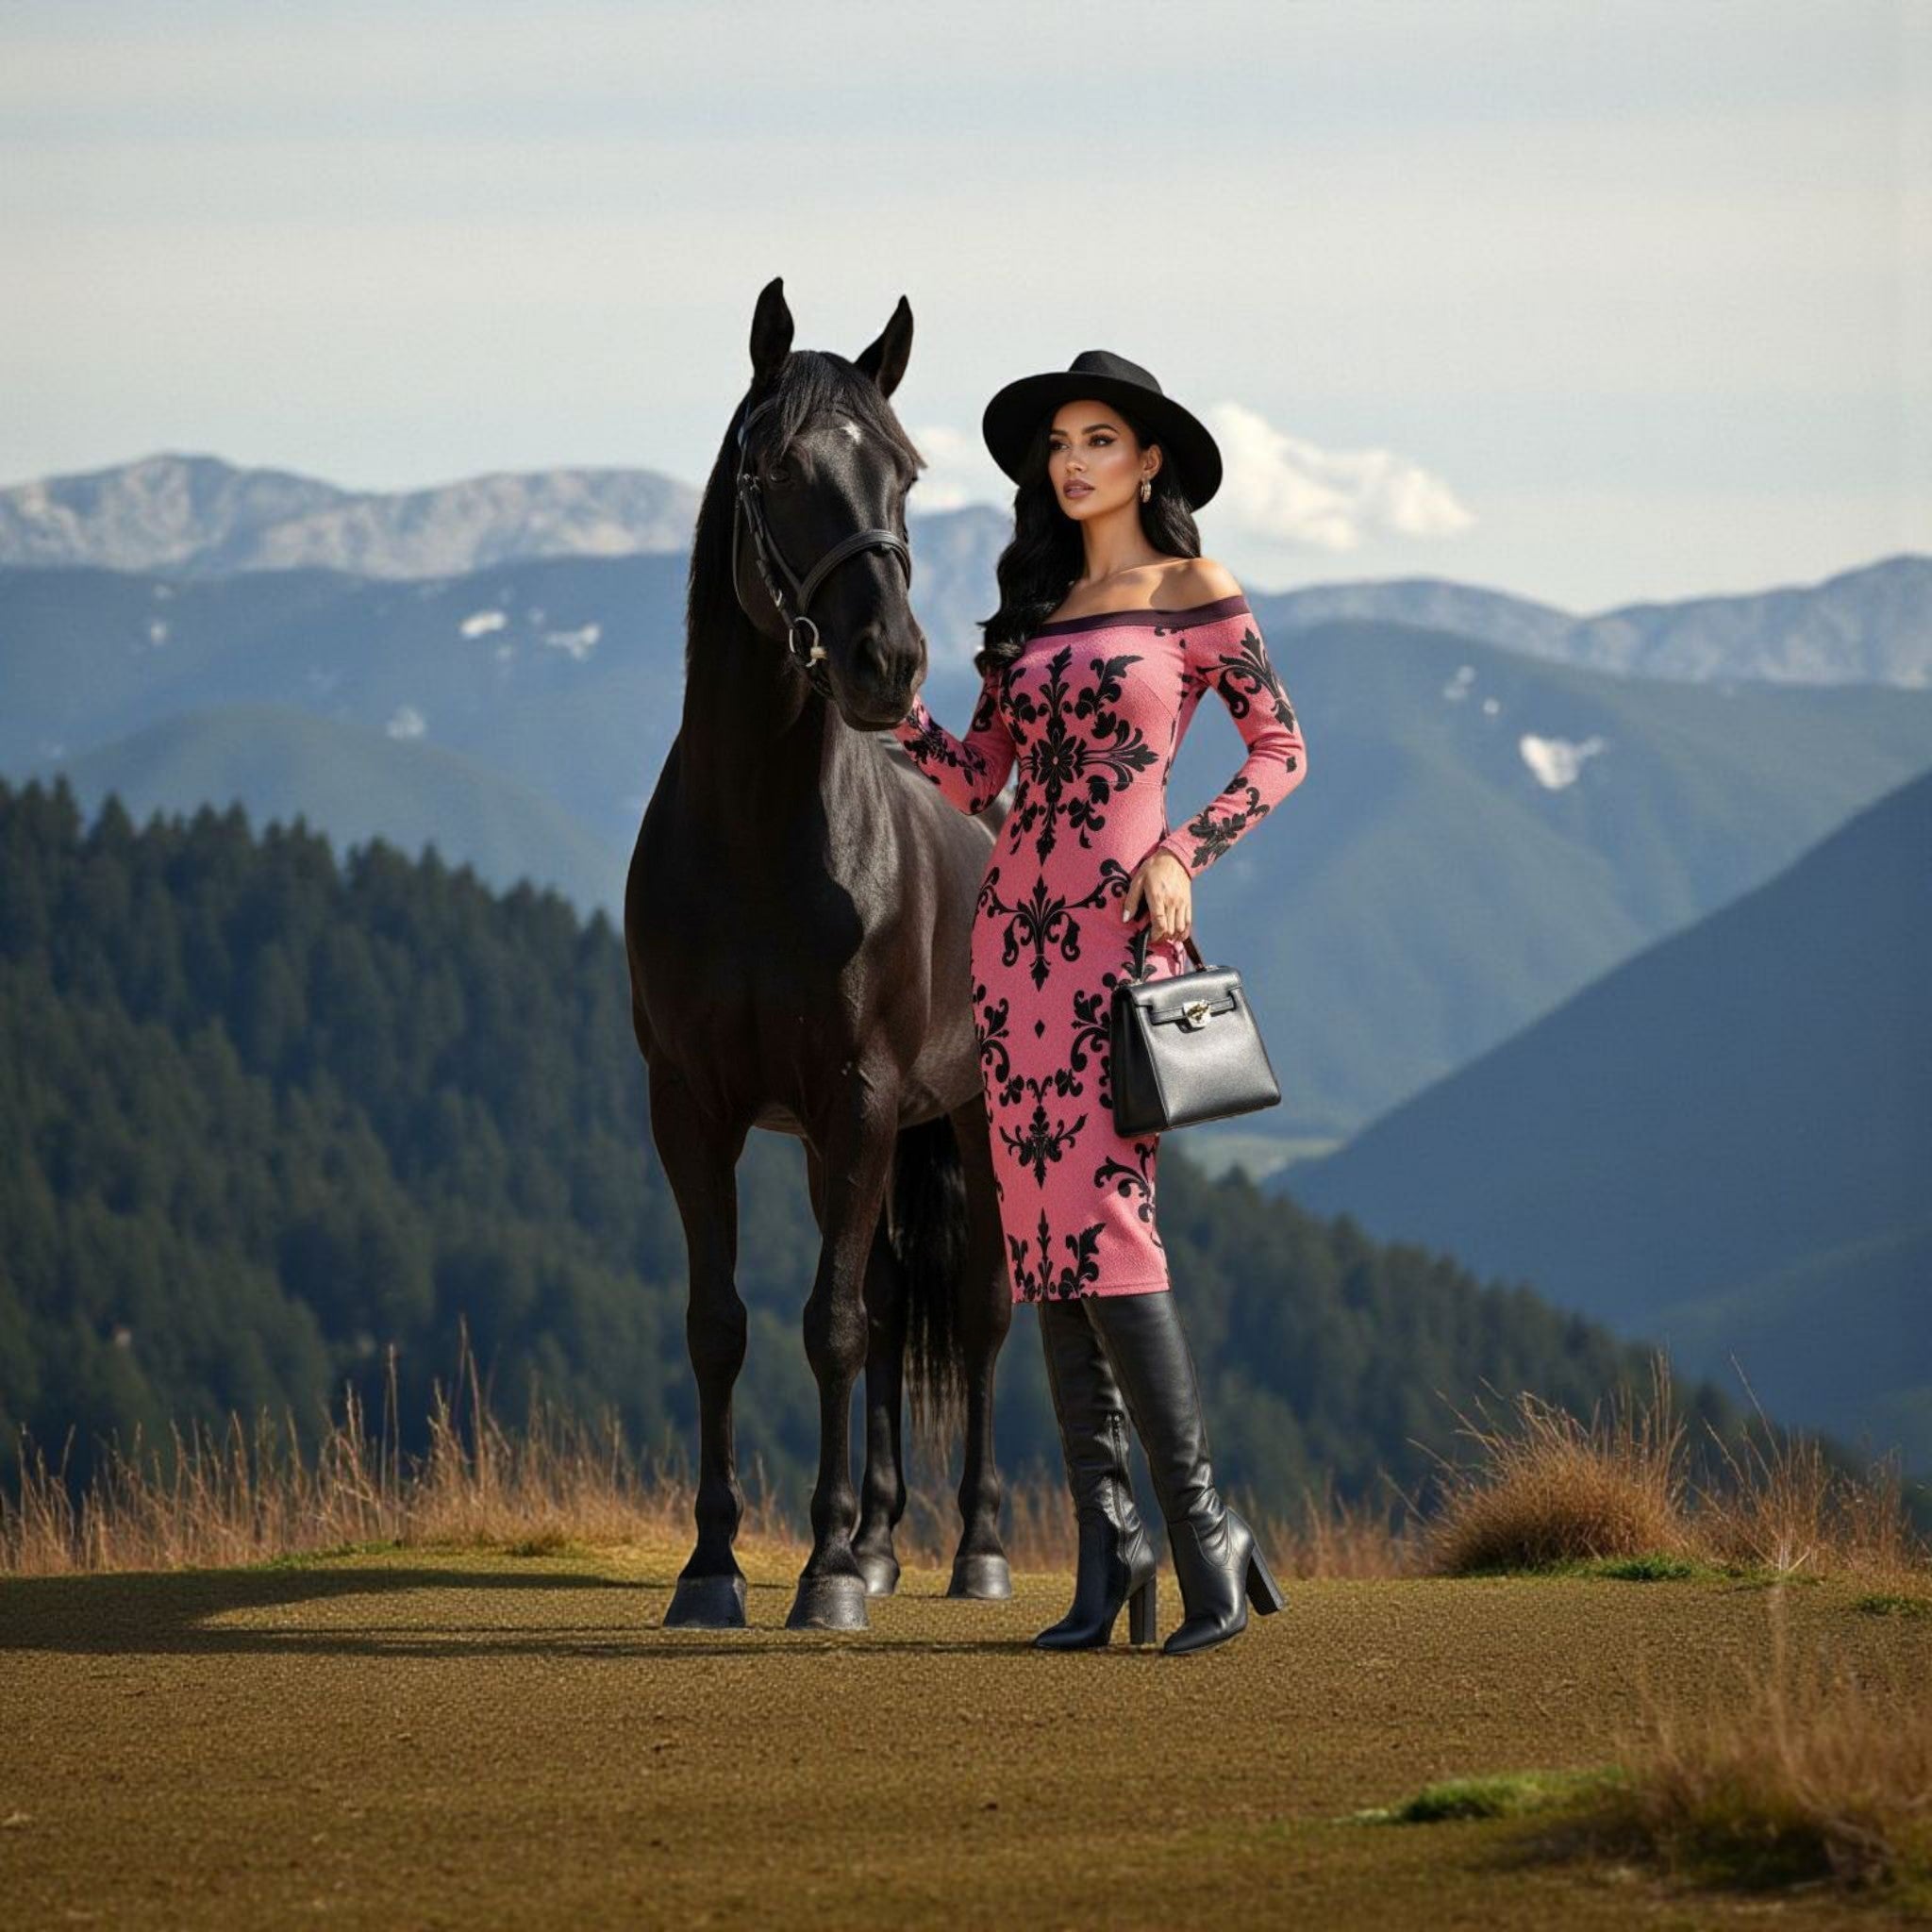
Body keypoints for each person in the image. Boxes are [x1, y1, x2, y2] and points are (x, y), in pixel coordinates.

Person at [889, 349, 1309, 1656]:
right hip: (1009, 946)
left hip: (1118, 941)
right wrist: (887, 707)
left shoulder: (1196, 595)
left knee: (1112, 1230)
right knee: (1042, 1244)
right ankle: (1109, 1543)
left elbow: (1281, 748)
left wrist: (1184, 851)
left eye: (1099, 440)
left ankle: (1202, 1535)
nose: (1072, 463)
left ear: (1150, 459)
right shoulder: (1032, 612)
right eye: (1058, 444)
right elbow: (975, 779)